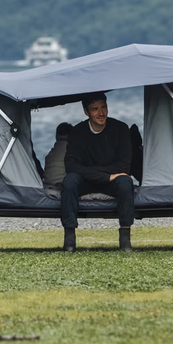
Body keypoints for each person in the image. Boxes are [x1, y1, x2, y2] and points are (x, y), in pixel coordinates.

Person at [60, 93, 134, 252]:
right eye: (95, 109)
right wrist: (105, 176)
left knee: (126, 182)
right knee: (69, 181)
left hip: (110, 181)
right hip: (89, 181)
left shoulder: (121, 129)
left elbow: (125, 165)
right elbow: (71, 165)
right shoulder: (78, 132)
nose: (101, 113)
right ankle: (69, 240)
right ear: (86, 112)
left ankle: (125, 239)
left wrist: (98, 174)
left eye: (103, 107)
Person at [43, 122, 73, 194]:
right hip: (62, 187)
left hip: (48, 186)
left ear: (56, 136)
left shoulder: (50, 155)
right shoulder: (73, 152)